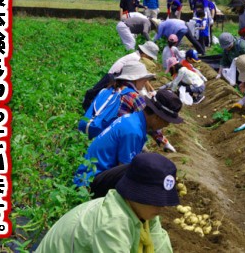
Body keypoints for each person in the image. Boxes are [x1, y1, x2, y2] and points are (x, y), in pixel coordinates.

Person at [36, 153, 179, 252]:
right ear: (137, 193)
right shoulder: (112, 222)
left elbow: (160, 245)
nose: (162, 205)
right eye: (155, 199)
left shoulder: (144, 213)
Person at [74, 89, 184, 197]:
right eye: (166, 122)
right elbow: (125, 172)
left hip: (93, 174)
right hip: (89, 183)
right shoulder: (133, 131)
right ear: (156, 117)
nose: (166, 126)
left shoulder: (133, 119)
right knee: (134, 173)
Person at [82, 41, 159, 111]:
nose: (150, 60)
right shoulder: (137, 59)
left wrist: (151, 90)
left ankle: (92, 109)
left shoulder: (136, 56)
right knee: (97, 93)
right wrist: (151, 91)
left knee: (100, 93)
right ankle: (87, 108)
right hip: (113, 76)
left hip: (116, 76)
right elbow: (140, 76)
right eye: (150, 58)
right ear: (145, 53)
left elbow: (143, 77)